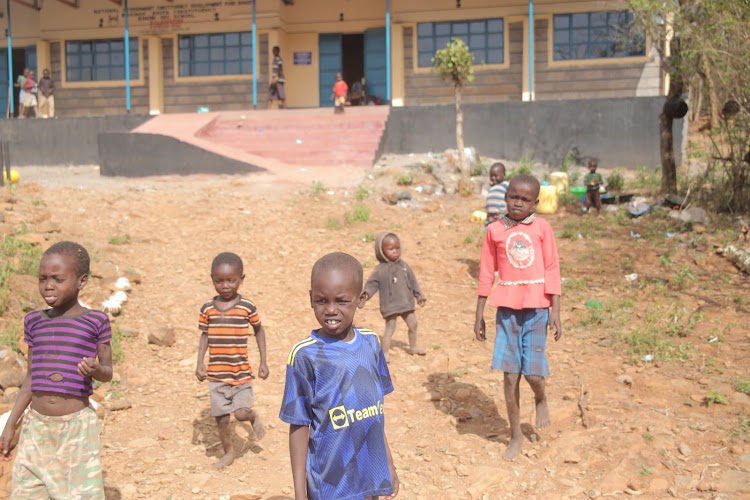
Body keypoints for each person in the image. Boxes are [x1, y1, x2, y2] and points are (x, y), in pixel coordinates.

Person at [280, 252, 399, 500]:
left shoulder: (371, 343)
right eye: (322, 301)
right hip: (330, 484)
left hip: (368, 479)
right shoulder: (305, 356)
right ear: (311, 299)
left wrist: (387, 466)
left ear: (361, 299)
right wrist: (300, 494)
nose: (331, 310)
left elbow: (373, 414)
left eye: (342, 301)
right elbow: (299, 425)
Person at [0, 241, 112, 498]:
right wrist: (10, 424)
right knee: (28, 491)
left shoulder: (96, 321)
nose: (48, 285)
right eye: (43, 278)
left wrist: (95, 369)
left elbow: (107, 371)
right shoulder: (34, 322)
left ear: (82, 281)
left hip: (76, 429)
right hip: (35, 427)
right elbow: (30, 377)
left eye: (58, 279)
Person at [473, 174, 562, 462]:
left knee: (534, 373)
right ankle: (516, 434)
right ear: (505, 196)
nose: (518, 203)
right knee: (511, 375)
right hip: (507, 311)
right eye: (513, 197)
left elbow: (551, 268)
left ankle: (541, 397)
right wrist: (479, 314)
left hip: (537, 310)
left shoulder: (542, 228)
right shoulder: (494, 231)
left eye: (525, 199)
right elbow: (486, 271)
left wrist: (556, 312)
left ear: (536, 203)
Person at [196, 252, 269, 470]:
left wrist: (263, 361)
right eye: (219, 281)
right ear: (212, 279)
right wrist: (200, 362)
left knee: (240, 413)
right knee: (221, 418)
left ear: (241, 279)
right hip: (217, 375)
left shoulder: (247, 306)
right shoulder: (207, 309)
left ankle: (253, 417)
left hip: (241, 374)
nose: (225, 285)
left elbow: (258, 330)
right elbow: (204, 335)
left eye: (231, 280)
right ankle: (228, 452)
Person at [363, 232, 427, 361]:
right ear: (381, 251)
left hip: (406, 303)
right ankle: (385, 353)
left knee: (413, 324)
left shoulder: (404, 266)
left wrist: (419, 296)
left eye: (397, 248)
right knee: (390, 327)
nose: (395, 252)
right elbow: (372, 284)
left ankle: (413, 346)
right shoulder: (380, 270)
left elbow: (413, 282)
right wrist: (365, 294)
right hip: (390, 305)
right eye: (391, 249)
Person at [485, 162, 509, 227]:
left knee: (500, 229)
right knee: (489, 229)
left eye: (496, 176)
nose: (493, 178)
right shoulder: (491, 187)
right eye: (491, 176)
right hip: (490, 215)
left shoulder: (505, 184)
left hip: (501, 214)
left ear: (503, 175)